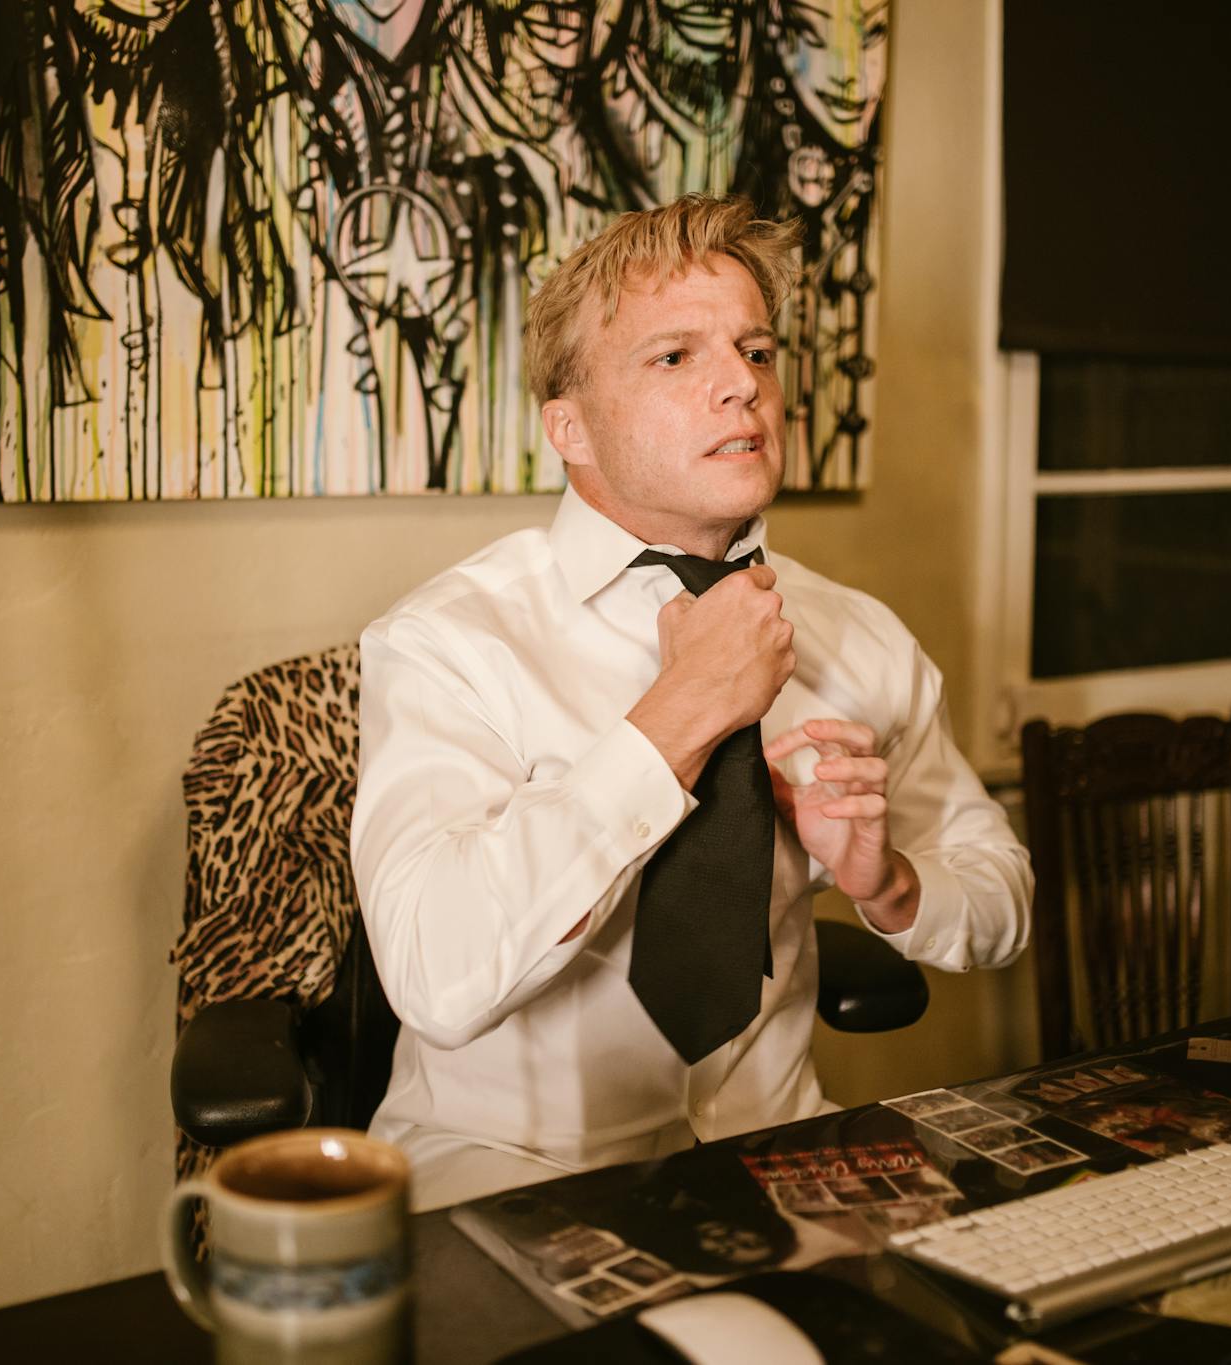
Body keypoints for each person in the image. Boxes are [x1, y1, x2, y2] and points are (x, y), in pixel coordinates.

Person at [351, 194, 1032, 1212]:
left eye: (755, 351)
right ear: (570, 427)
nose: (742, 385)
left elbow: (1001, 894)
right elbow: (434, 975)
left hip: (781, 1158)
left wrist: (887, 882)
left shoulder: (858, 637)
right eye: (675, 356)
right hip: (510, 1175)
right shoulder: (447, 643)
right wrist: (678, 715)